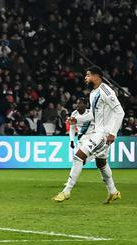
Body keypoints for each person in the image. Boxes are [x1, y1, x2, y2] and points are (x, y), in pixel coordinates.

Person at [53, 67, 124, 203]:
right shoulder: (93, 93)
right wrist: (77, 120)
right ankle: (113, 191)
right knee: (101, 162)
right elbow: (93, 114)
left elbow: (120, 112)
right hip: (99, 132)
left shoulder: (106, 91)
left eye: (88, 75)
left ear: (97, 76)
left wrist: (113, 133)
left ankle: (66, 191)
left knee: (78, 156)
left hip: (104, 133)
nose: (85, 78)